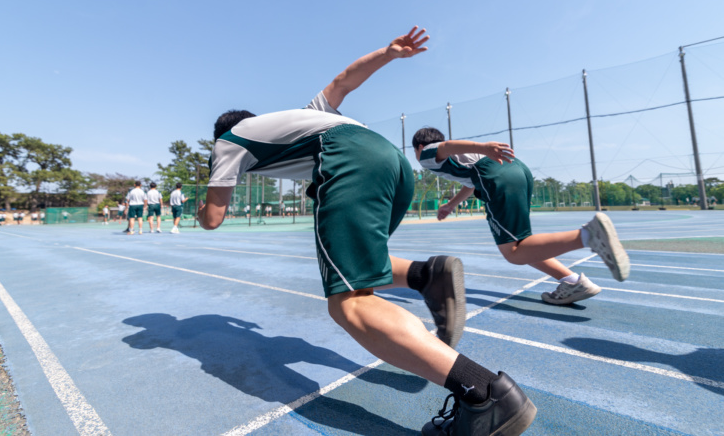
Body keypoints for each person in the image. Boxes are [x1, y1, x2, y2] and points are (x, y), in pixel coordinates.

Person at [197, 27, 536, 436]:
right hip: (389, 160)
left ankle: (484, 394)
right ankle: (425, 276)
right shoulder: (304, 116)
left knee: (349, 304)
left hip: (351, 164)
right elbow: (344, 82)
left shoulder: (228, 143)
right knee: (358, 273)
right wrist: (389, 53)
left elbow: (212, 217)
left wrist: (206, 198)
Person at [411, 126, 631, 306]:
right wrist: (451, 205)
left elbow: (446, 145)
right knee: (522, 245)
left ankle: (588, 235)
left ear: (420, 147)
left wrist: (484, 147)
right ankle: (571, 281)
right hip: (515, 169)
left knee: (513, 253)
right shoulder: (457, 159)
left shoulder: (428, 154)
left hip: (496, 174)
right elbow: (469, 184)